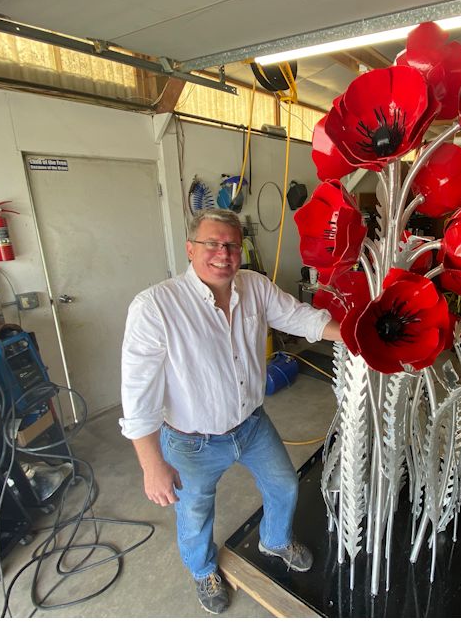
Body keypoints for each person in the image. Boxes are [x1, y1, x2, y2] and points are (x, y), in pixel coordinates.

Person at [119, 207, 342, 614]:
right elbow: (138, 394)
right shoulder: (155, 307)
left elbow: (298, 317)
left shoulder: (254, 286)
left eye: (232, 245)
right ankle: (203, 570)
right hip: (191, 441)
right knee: (195, 512)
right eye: (212, 243)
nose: (223, 253)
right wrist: (152, 464)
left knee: (284, 486)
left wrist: (353, 336)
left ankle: (274, 540)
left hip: (252, 424)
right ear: (190, 248)